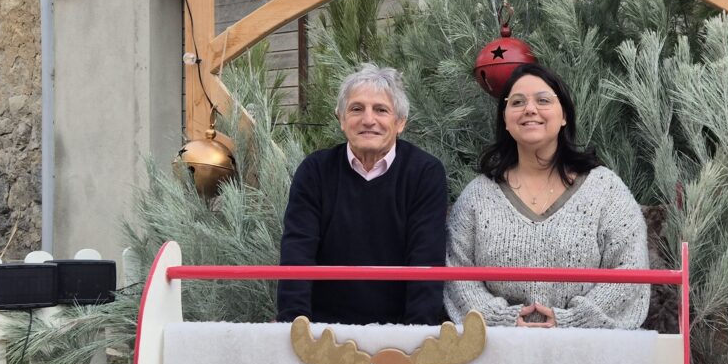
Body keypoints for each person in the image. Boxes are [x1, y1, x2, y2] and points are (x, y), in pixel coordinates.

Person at [445, 64, 650, 328]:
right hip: (497, 353)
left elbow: (630, 268)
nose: (530, 109)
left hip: (589, 353)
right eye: (517, 102)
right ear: (505, 120)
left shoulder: (605, 189)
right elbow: (457, 273)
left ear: (564, 115)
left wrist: (573, 320)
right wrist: (500, 319)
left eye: (543, 100)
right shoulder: (477, 196)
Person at [277, 64, 448, 324]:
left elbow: (426, 260)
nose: (368, 120)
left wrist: (417, 337)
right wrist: (295, 326)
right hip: (323, 330)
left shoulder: (424, 172)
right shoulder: (315, 171)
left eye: (381, 110)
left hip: (401, 332)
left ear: (400, 122)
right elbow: (297, 252)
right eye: (357, 109)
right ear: (341, 119)